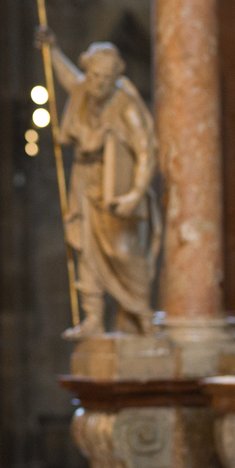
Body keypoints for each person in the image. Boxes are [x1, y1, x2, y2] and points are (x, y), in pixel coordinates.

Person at [35, 27, 161, 337]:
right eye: (93, 76)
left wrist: (134, 195)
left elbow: (147, 151)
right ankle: (93, 319)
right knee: (86, 249)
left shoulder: (125, 104)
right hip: (85, 180)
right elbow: (68, 77)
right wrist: (52, 50)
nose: (98, 83)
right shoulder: (83, 90)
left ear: (116, 76)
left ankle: (142, 314)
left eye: (106, 78)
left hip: (116, 188)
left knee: (123, 251)